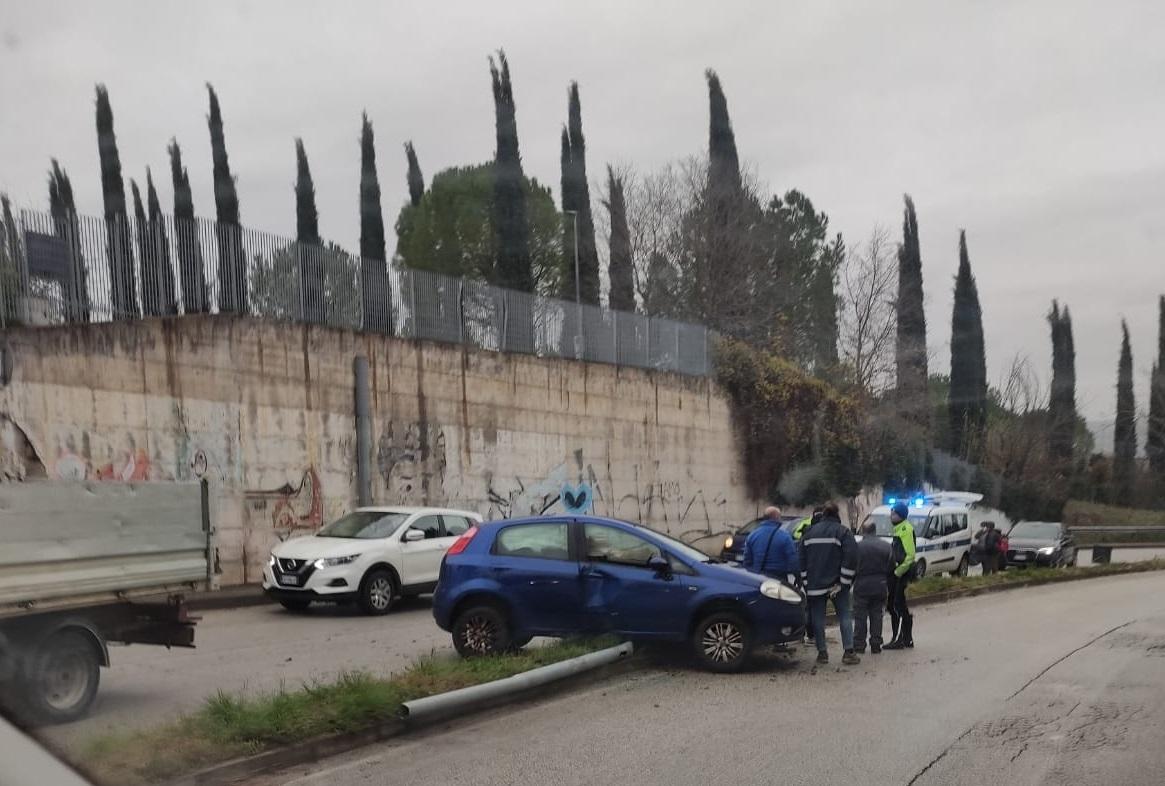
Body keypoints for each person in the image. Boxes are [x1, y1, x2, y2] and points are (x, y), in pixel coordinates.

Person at [799, 502, 860, 665]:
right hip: (837, 585)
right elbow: (852, 557)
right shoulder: (843, 532)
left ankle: (822, 653)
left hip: (815, 585)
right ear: (837, 516)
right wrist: (844, 582)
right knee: (844, 616)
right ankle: (848, 652)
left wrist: (806, 583)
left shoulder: (809, 533)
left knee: (818, 619)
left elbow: (801, 561)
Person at [853, 520, 892, 654]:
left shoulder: (857, 547)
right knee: (877, 615)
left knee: (860, 616)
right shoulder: (886, 546)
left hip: (862, 584)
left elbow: (852, 566)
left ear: (864, 531)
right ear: (875, 531)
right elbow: (891, 566)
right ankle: (876, 644)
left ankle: (859, 644)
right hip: (880, 584)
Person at [885, 502, 917, 650]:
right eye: (891, 513)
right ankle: (904, 638)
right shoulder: (899, 529)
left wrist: (897, 572)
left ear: (901, 516)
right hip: (898, 573)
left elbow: (910, 555)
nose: (892, 516)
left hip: (901, 574)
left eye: (894, 513)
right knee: (896, 605)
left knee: (897, 605)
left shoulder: (906, 529)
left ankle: (902, 639)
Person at [741, 506, 798, 583]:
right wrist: (798, 576)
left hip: (758, 577)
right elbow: (792, 559)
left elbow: (747, 560)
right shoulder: (784, 536)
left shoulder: (752, 535)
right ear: (776, 517)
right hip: (778, 577)